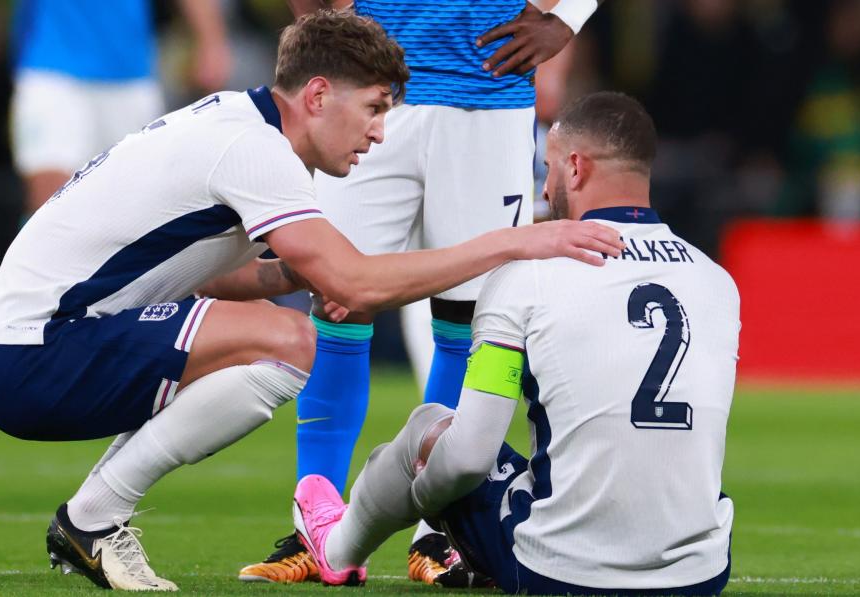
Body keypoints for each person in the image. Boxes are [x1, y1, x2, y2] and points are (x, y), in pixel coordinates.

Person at [0, 12, 623, 592]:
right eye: (373, 108)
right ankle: (93, 518)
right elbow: (358, 285)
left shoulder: (235, 122)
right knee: (288, 344)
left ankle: (93, 517)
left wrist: (299, 277)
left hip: (30, 342)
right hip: (34, 353)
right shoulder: (256, 154)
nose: (379, 133)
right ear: (316, 95)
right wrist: (513, 244)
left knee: (276, 333)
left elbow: (204, 274)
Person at [292, 91, 740, 596]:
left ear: (574, 167)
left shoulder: (528, 277)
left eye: (547, 169)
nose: (545, 189)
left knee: (431, 428)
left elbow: (467, 457)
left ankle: (336, 551)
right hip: (699, 577)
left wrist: (424, 502)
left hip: (559, 572)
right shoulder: (718, 281)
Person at [240, 0, 605, 585]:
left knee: (473, 320)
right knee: (337, 302)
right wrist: (318, 20)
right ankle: (317, 527)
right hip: (375, 85)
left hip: (489, 94)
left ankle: (441, 532)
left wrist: (571, 15)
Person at [9, 0, 231, 217]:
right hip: (52, 67)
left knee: (133, 206)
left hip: (129, 76)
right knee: (50, 202)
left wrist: (212, 41)